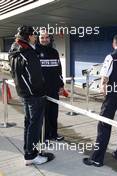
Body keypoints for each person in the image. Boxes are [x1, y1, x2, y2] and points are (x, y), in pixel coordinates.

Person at [83, 33, 117, 167]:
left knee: (104, 125)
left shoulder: (111, 56)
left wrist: (103, 87)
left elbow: (105, 76)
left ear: (114, 44)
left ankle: (97, 159)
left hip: (112, 96)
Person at [8, 26, 49, 165]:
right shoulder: (28, 52)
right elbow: (35, 77)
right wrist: (42, 92)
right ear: (29, 36)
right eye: (34, 35)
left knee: (29, 123)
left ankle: (28, 152)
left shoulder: (14, 50)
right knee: (35, 125)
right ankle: (31, 155)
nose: (36, 37)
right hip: (34, 95)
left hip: (23, 93)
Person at [36, 30, 65, 141]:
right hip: (41, 90)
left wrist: (61, 85)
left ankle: (53, 134)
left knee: (53, 113)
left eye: (46, 37)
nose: (44, 40)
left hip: (53, 89)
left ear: (50, 38)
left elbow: (59, 70)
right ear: (38, 38)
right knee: (43, 114)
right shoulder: (35, 51)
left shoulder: (54, 52)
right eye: (42, 37)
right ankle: (44, 136)